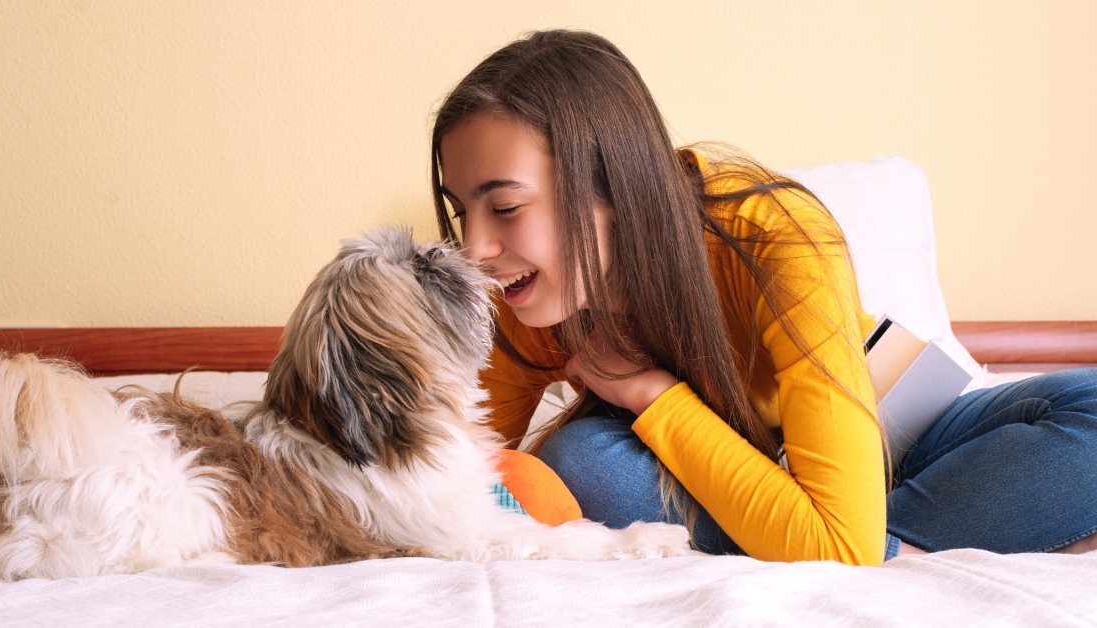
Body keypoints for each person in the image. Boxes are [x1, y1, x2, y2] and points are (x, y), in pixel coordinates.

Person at [430, 29, 1097, 565]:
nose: (475, 250)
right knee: (583, 465)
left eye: (507, 207)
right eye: (463, 214)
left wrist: (653, 393)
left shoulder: (777, 237)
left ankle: (855, 530)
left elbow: (842, 545)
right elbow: (452, 476)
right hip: (705, 482)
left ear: (611, 185)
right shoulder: (529, 298)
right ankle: (867, 537)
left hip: (883, 444)